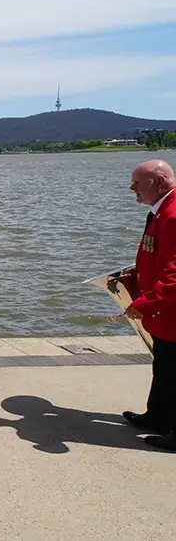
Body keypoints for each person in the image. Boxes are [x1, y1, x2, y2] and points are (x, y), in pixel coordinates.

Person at [120, 159, 176, 450]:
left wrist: (146, 301)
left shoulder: (174, 213)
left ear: (157, 181)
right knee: (165, 365)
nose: (132, 188)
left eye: (137, 183)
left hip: (170, 310)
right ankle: (158, 416)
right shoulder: (163, 210)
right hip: (165, 312)